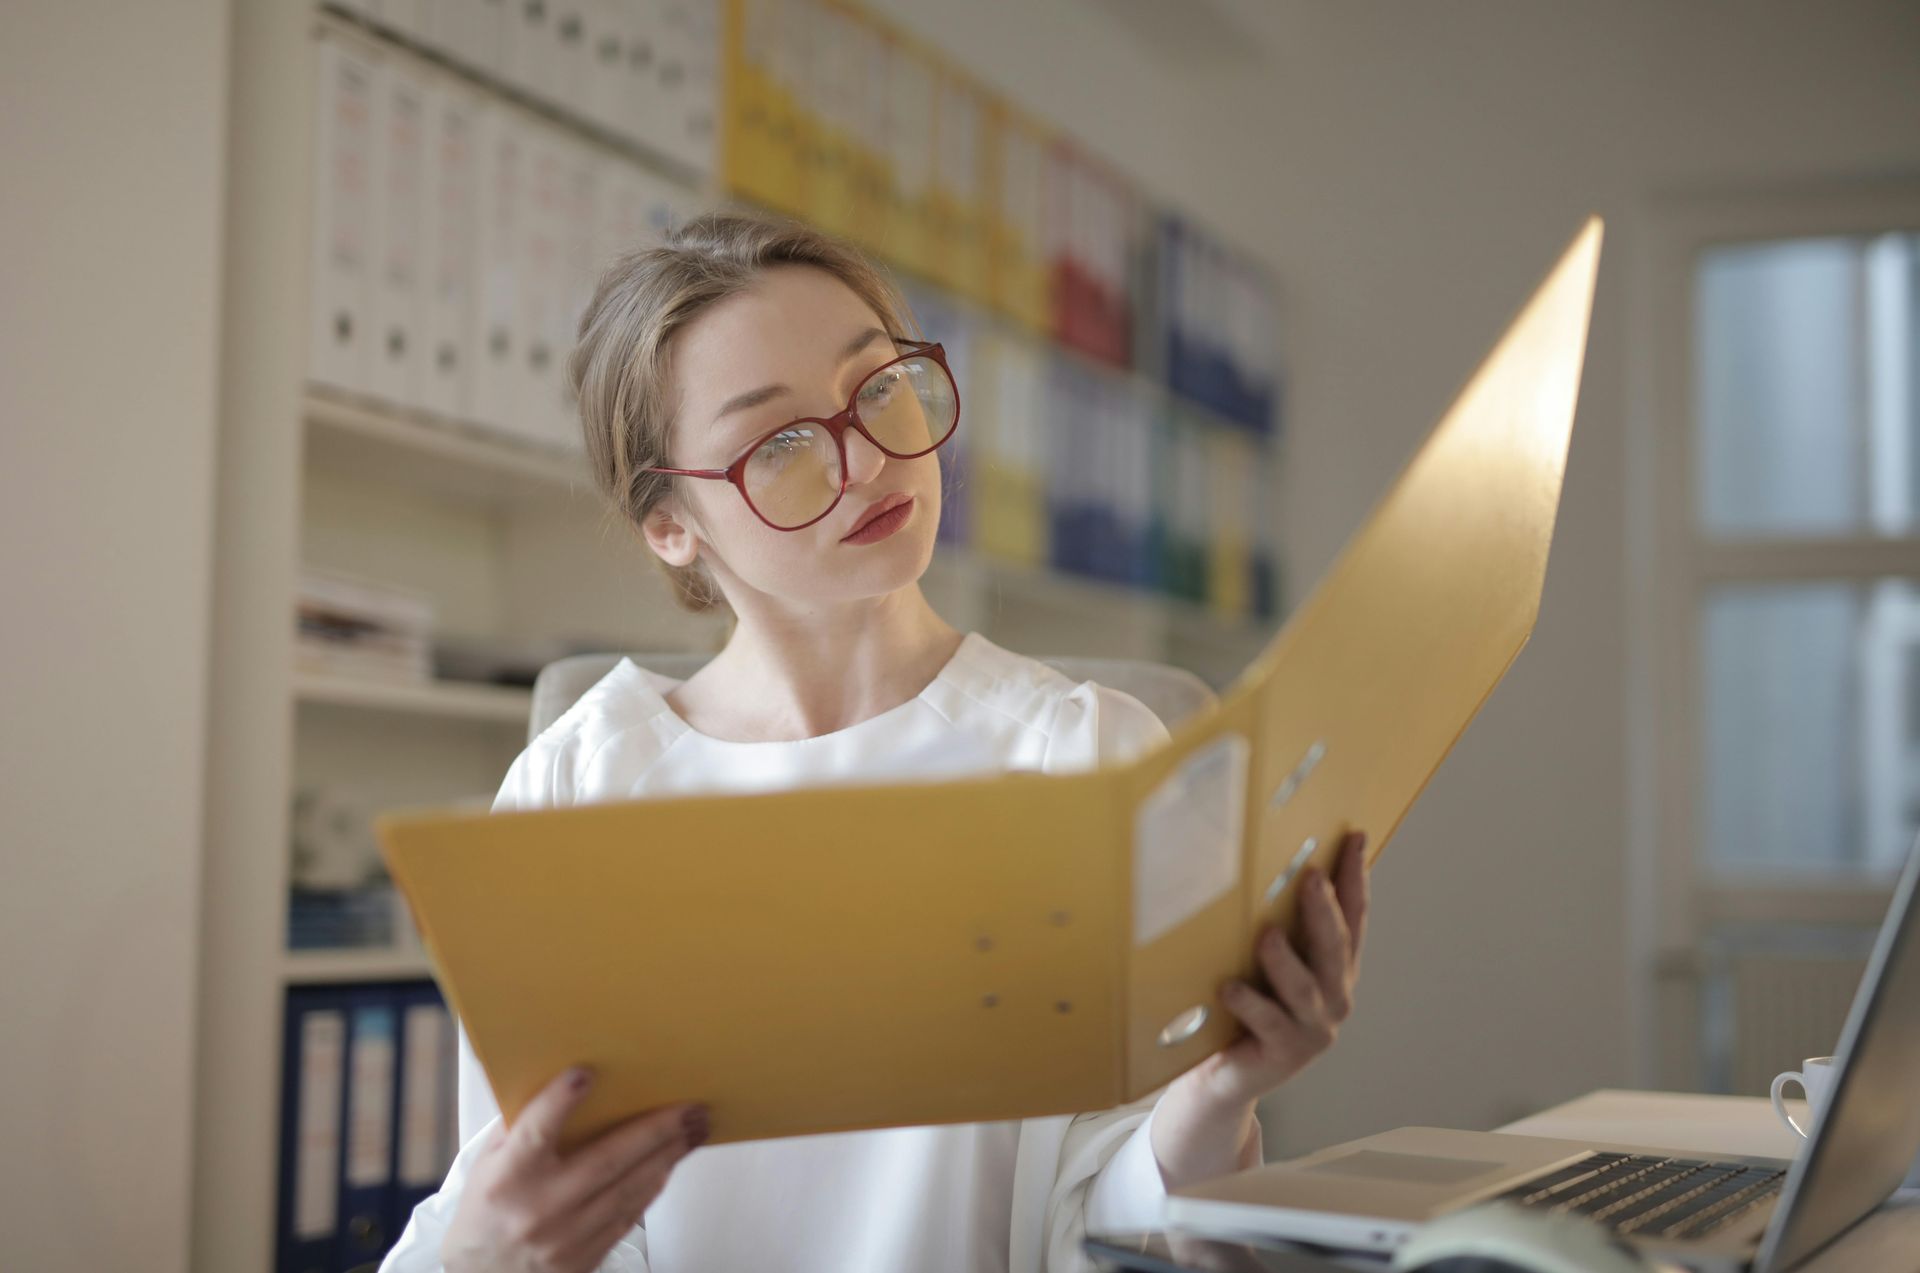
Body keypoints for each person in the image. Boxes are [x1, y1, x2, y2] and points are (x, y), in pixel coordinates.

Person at [380, 211, 1371, 1273]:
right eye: (783, 441)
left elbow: (1107, 1231)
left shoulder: (1087, 758)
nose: (863, 458)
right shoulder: (583, 782)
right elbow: (523, 1207)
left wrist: (1221, 1092)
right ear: (670, 523)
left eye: (881, 387)